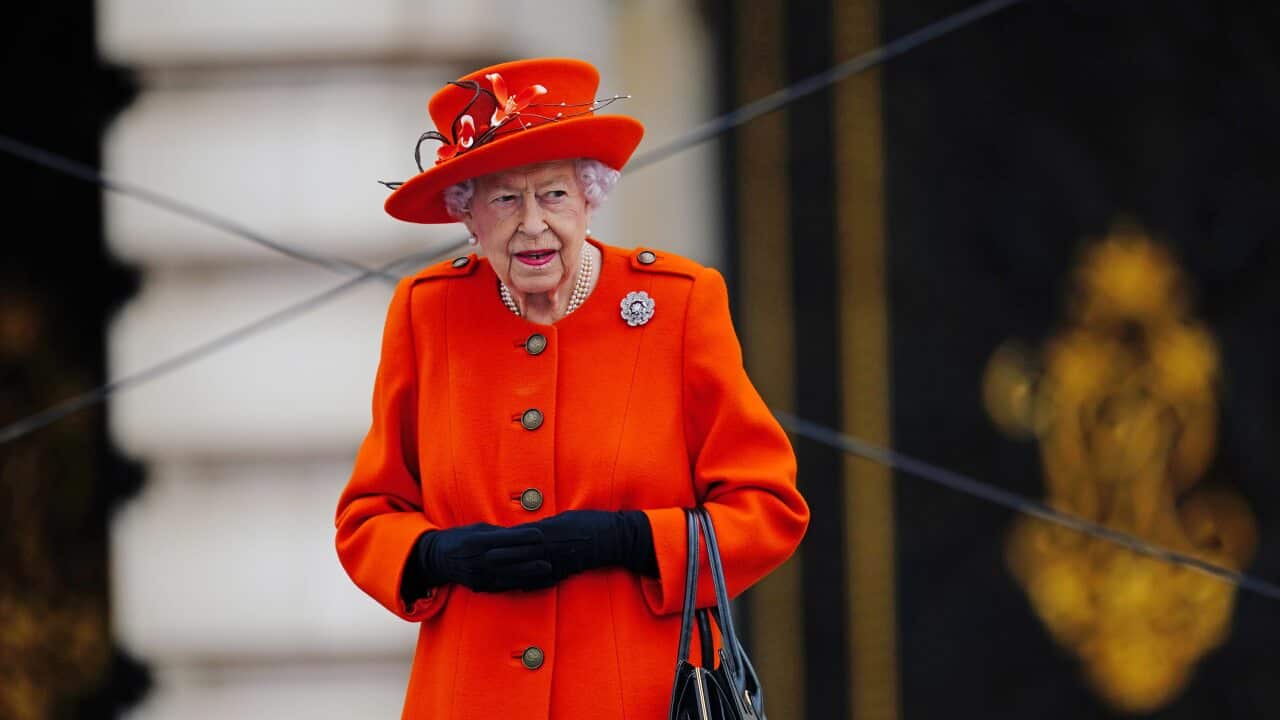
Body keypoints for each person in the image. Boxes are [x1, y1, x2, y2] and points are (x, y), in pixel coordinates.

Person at [334, 57, 809, 719]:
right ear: (467, 216)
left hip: (638, 698)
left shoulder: (676, 305)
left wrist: (629, 540)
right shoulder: (426, 313)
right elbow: (366, 519)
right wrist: (438, 555)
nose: (532, 224)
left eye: (553, 194)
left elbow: (769, 509)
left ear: (590, 196)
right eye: (504, 198)